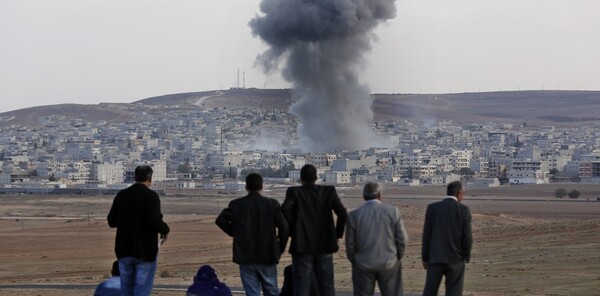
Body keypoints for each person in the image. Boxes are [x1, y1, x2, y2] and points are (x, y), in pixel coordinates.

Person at [215, 173, 289, 296]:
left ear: (246, 187)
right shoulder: (272, 204)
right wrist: (280, 248)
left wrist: (234, 232)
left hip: (246, 255)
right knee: (271, 291)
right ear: (261, 186)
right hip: (268, 255)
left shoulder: (237, 205)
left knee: (252, 293)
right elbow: (284, 228)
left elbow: (220, 220)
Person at [282, 164, 348, 296]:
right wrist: (337, 234)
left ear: (301, 178)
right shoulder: (328, 192)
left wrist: (292, 231)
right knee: (327, 286)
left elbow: (284, 212)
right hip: (325, 245)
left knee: (302, 287)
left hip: (301, 246)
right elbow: (343, 214)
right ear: (316, 177)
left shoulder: (294, 192)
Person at [107, 165, 170, 296]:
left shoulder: (122, 195)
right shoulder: (151, 197)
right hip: (145, 253)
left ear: (135, 177)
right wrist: (165, 229)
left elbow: (111, 221)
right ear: (150, 179)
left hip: (124, 252)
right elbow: (154, 221)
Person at [345, 182, 408, 296]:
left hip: (362, 263)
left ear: (363, 196)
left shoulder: (354, 215)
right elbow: (402, 239)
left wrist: (354, 260)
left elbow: (349, 243)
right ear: (380, 195)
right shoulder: (392, 212)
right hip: (389, 262)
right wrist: (397, 257)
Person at [421, 181, 473, 296]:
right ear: (459, 194)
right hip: (456, 260)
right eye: (463, 194)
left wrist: (425, 258)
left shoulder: (433, 208)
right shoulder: (464, 210)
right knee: (454, 292)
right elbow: (467, 237)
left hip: (435, 259)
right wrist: (466, 256)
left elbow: (427, 235)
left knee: (430, 291)